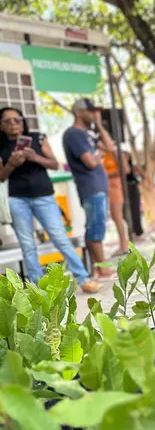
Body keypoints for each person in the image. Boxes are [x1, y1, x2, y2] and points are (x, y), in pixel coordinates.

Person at [0, 108, 101, 292]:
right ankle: (39, 289)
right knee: (28, 245)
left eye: (17, 119)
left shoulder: (38, 138)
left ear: (23, 121)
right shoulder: (1, 145)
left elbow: (55, 164)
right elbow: (1, 176)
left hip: (43, 196)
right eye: (8, 121)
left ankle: (82, 278)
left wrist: (34, 157)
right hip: (16, 199)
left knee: (60, 238)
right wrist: (11, 164)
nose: (14, 124)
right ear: (1, 125)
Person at [62, 99, 114, 278]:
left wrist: (99, 125)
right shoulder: (73, 134)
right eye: (90, 111)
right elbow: (91, 162)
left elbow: (110, 147)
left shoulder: (89, 134)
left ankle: (97, 268)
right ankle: (101, 267)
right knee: (95, 226)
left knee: (98, 225)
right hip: (90, 186)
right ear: (79, 112)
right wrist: (99, 154)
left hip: (99, 185)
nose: (94, 114)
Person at [101, 143, 131, 257]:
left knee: (117, 216)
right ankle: (123, 244)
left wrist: (107, 175)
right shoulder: (104, 153)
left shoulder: (117, 151)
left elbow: (126, 169)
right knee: (114, 216)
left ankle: (124, 245)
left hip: (115, 185)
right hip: (107, 186)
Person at [122, 145, 144, 240]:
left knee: (135, 210)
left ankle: (137, 231)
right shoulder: (121, 165)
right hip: (124, 188)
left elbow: (141, 174)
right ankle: (131, 231)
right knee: (125, 212)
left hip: (132, 187)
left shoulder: (130, 165)